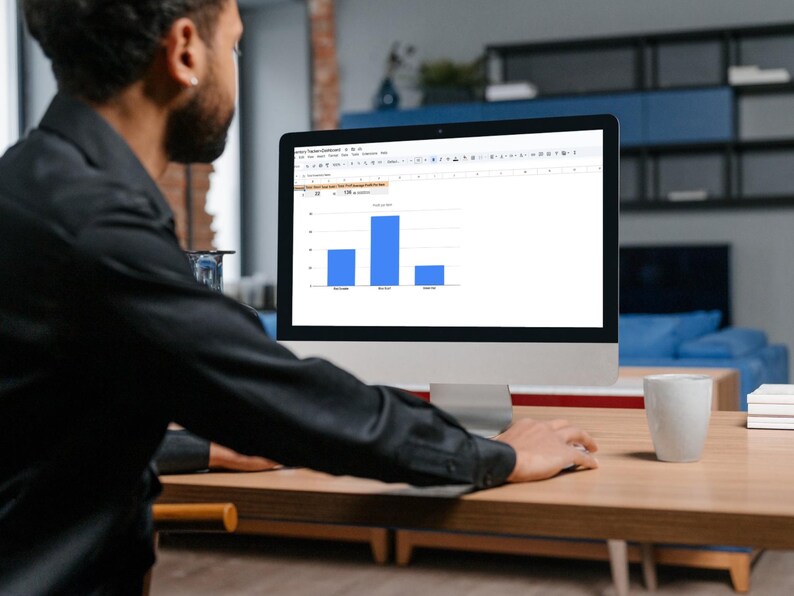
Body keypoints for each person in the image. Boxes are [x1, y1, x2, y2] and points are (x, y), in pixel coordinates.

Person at [0, 0, 599, 593]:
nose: (235, 69)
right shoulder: (96, 228)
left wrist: (204, 447)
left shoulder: (30, 186)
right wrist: (497, 455)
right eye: (234, 45)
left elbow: (43, 427)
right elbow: (297, 403)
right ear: (185, 51)